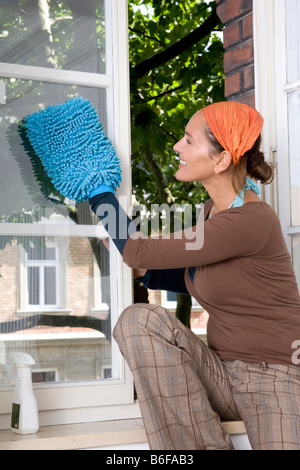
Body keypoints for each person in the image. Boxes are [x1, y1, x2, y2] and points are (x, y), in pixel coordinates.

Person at [89, 101, 300, 451]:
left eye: (188, 139)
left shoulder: (251, 219)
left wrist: (97, 190)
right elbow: (191, 274)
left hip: (276, 377)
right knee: (137, 321)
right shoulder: (212, 213)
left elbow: (138, 251)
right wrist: (144, 269)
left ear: (220, 160)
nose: (177, 146)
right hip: (222, 372)